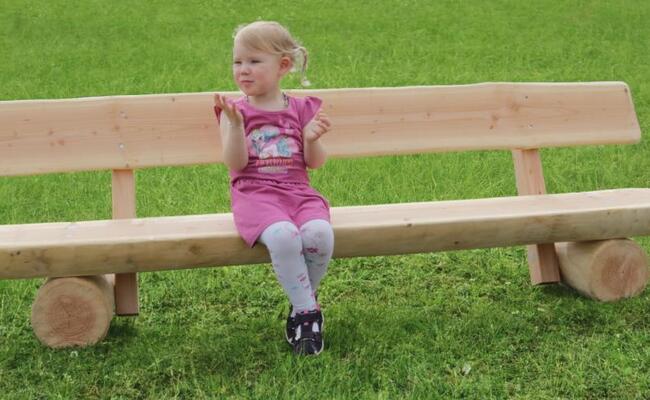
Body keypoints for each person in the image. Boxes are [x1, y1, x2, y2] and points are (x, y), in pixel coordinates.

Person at [213, 21, 334, 356]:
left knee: (320, 234)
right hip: (256, 195)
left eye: (254, 61)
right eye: (237, 62)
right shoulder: (235, 112)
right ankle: (308, 315)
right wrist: (236, 127)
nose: (243, 70)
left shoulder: (300, 109)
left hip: (297, 192)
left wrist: (312, 140)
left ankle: (300, 307)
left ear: (282, 66)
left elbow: (315, 163)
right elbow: (235, 164)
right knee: (283, 236)